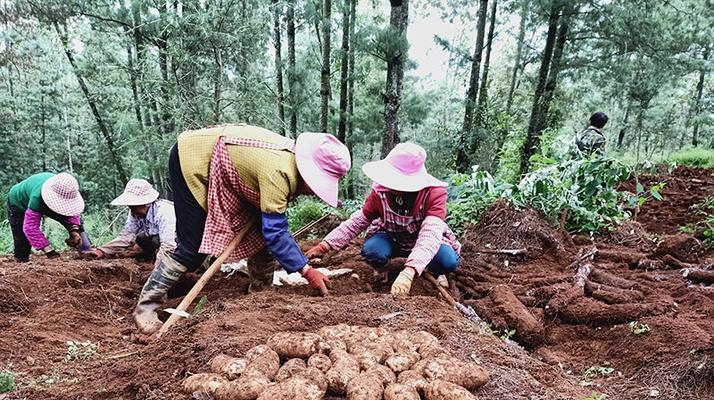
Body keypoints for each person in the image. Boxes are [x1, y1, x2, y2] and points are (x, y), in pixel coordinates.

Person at [133, 123, 351, 334]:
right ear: (307, 172)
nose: (313, 192)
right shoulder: (279, 171)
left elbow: (270, 232)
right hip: (192, 159)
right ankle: (147, 306)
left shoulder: (286, 166)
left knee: (260, 238)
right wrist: (307, 271)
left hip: (231, 171)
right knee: (192, 249)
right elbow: (276, 233)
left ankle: (259, 294)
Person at [306, 142, 461, 296]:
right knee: (373, 251)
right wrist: (325, 245)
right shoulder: (380, 192)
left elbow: (430, 235)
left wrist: (409, 271)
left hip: (425, 242)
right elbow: (357, 222)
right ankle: (386, 270)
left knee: (447, 261)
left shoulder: (433, 193)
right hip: (393, 238)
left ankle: (433, 271)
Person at [7, 172, 91, 262]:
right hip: (18, 202)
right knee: (21, 237)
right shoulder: (37, 198)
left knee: (75, 225)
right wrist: (50, 252)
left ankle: (85, 250)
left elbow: (72, 214)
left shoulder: (68, 190)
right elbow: (30, 227)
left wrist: (74, 230)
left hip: (53, 197)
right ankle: (21, 260)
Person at [93, 179, 176, 261]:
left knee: (156, 240)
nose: (131, 209)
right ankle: (151, 258)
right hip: (160, 241)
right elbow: (126, 236)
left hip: (178, 242)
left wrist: (160, 270)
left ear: (146, 203)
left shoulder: (164, 212)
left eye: (134, 206)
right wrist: (102, 250)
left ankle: (171, 261)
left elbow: (168, 245)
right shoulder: (135, 213)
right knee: (141, 238)